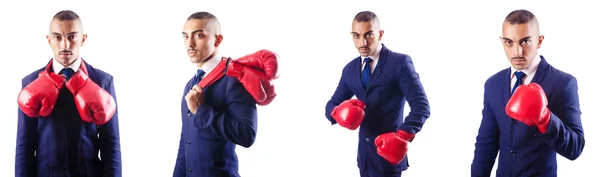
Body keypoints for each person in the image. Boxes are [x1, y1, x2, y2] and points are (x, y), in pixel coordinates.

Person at [471, 9, 585, 177]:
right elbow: (486, 144)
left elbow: (575, 147)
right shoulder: (493, 84)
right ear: (502, 42)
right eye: (509, 42)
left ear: (539, 41)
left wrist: (546, 120)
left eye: (525, 42)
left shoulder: (563, 83)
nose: (517, 52)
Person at [15, 10, 122, 177]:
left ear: (83, 39)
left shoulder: (103, 81)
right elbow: (24, 146)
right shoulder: (29, 83)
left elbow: (111, 144)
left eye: (72, 37)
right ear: (49, 40)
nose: (65, 45)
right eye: (58, 37)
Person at [324, 11, 431, 177]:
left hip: (389, 159)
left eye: (369, 35)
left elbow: (421, 107)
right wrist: (337, 113)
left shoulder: (400, 63)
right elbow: (331, 104)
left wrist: (401, 136)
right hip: (364, 159)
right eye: (357, 36)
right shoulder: (350, 69)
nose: (363, 42)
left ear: (380, 34)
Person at [173, 11, 279, 177]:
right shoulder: (190, 85)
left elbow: (247, 134)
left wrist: (201, 110)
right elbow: (185, 142)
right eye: (185, 36)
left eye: (198, 35)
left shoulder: (236, 79)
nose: (190, 43)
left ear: (217, 40)